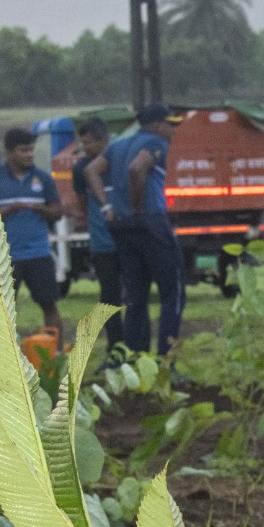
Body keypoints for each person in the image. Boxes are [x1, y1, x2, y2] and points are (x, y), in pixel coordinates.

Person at [105, 102, 187, 356]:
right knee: (173, 294)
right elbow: (137, 168)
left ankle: (135, 361)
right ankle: (165, 363)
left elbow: (91, 170)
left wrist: (105, 205)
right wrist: (138, 205)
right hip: (150, 220)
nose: (173, 131)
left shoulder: (118, 146)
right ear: (156, 125)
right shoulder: (155, 143)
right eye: (170, 125)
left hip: (122, 225)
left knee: (136, 298)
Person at [0, 126, 65, 341]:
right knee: (2, 309)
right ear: (9, 152)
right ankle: (2, 355)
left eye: (31, 150)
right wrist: (9, 209)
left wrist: (41, 209)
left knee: (49, 304)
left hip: (38, 253)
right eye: (23, 151)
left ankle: (55, 351)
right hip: (5, 255)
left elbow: (57, 211)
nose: (29, 155)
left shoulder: (42, 179)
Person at [68, 115, 122, 349]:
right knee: (109, 298)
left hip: (127, 238)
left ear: (104, 141)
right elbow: (82, 204)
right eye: (83, 143)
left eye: (89, 143)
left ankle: (134, 347)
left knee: (134, 296)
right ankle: (115, 347)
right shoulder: (80, 169)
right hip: (102, 241)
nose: (85, 148)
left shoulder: (121, 160)